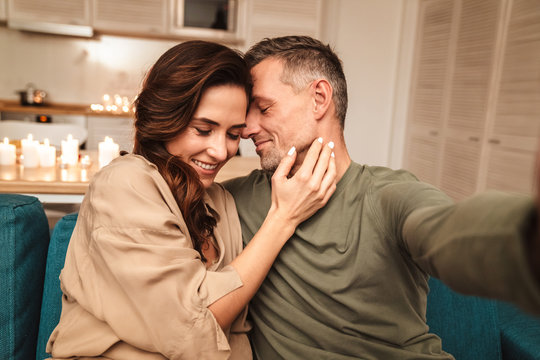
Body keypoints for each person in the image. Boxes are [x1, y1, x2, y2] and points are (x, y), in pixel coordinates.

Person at [223, 35, 540, 359]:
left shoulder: (388, 195)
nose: (247, 128)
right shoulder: (238, 199)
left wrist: (528, 235)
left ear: (319, 98)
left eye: (263, 108)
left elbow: (447, 231)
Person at [46, 40, 337, 359]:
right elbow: (190, 326)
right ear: (165, 118)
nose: (220, 151)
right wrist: (283, 219)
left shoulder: (219, 200)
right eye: (203, 129)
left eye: (231, 134)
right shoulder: (125, 183)